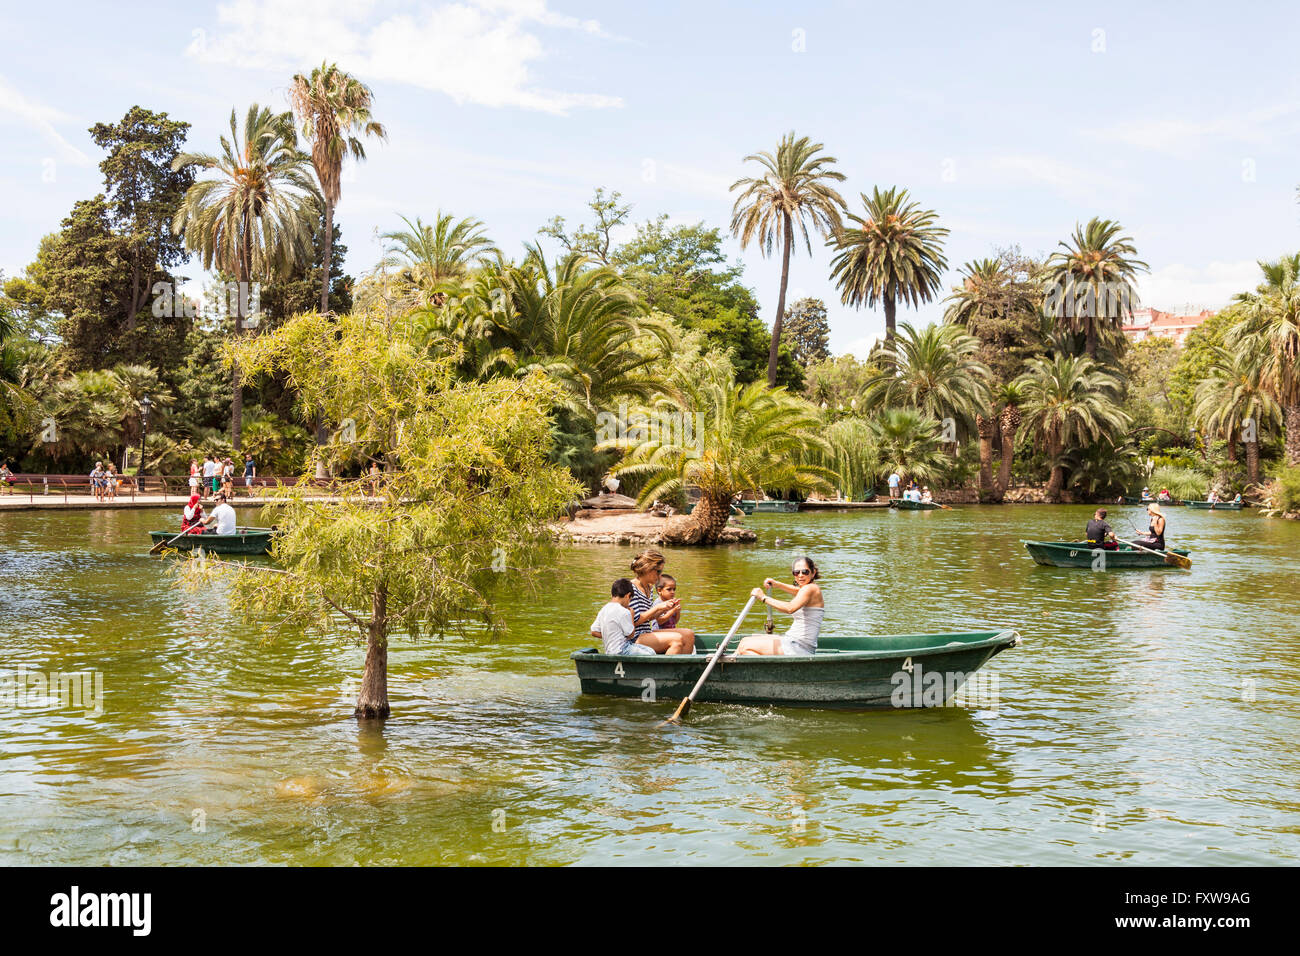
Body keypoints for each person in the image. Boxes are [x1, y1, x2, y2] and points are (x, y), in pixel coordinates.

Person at [734, 556, 825, 656]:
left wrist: (763, 597)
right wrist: (776, 584)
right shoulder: (807, 589)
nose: (800, 575)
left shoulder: (810, 589)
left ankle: (770, 671)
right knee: (744, 641)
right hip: (793, 640)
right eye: (796, 572)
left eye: (805, 572)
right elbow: (797, 591)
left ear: (813, 572)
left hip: (800, 647)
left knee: (745, 647)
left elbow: (790, 608)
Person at [627, 549, 695, 654]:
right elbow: (634, 622)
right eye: (658, 572)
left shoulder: (649, 588)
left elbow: (649, 618)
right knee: (676, 639)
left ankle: (685, 669)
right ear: (647, 569)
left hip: (646, 632)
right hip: (634, 637)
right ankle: (666, 670)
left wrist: (665, 608)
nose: (660, 576)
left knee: (689, 634)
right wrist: (657, 608)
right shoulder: (631, 588)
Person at [590, 578, 656, 656]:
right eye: (630, 600)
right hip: (622, 650)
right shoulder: (624, 612)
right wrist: (631, 615)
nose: (629, 603)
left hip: (610, 651)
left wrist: (610, 637)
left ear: (612, 594)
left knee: (649, 650)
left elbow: (594, 631)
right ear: (628, 596)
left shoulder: (604, 609)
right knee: (651, 653)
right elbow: (631, 635)